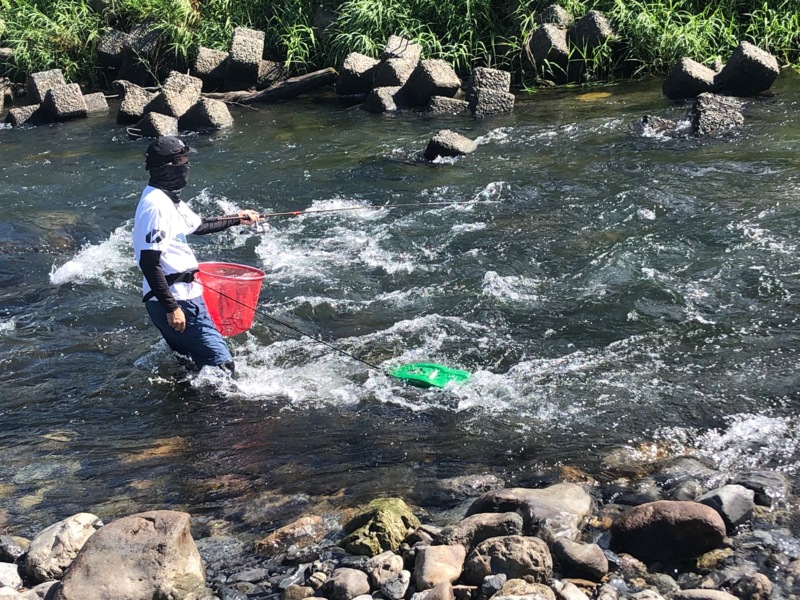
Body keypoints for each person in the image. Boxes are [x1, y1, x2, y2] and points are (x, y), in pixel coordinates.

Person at [132, 135, 261, 374]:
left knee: (194, 369)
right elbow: (149, 263)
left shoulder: (168, 198)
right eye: (181, 160)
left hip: (180, 296)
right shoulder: (156, 206)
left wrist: (236, 218)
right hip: (177, 299)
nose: (186, 166)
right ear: (166, 167)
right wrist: (172, 308)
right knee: (223, 368)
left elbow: (199, 226)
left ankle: (196, 409)